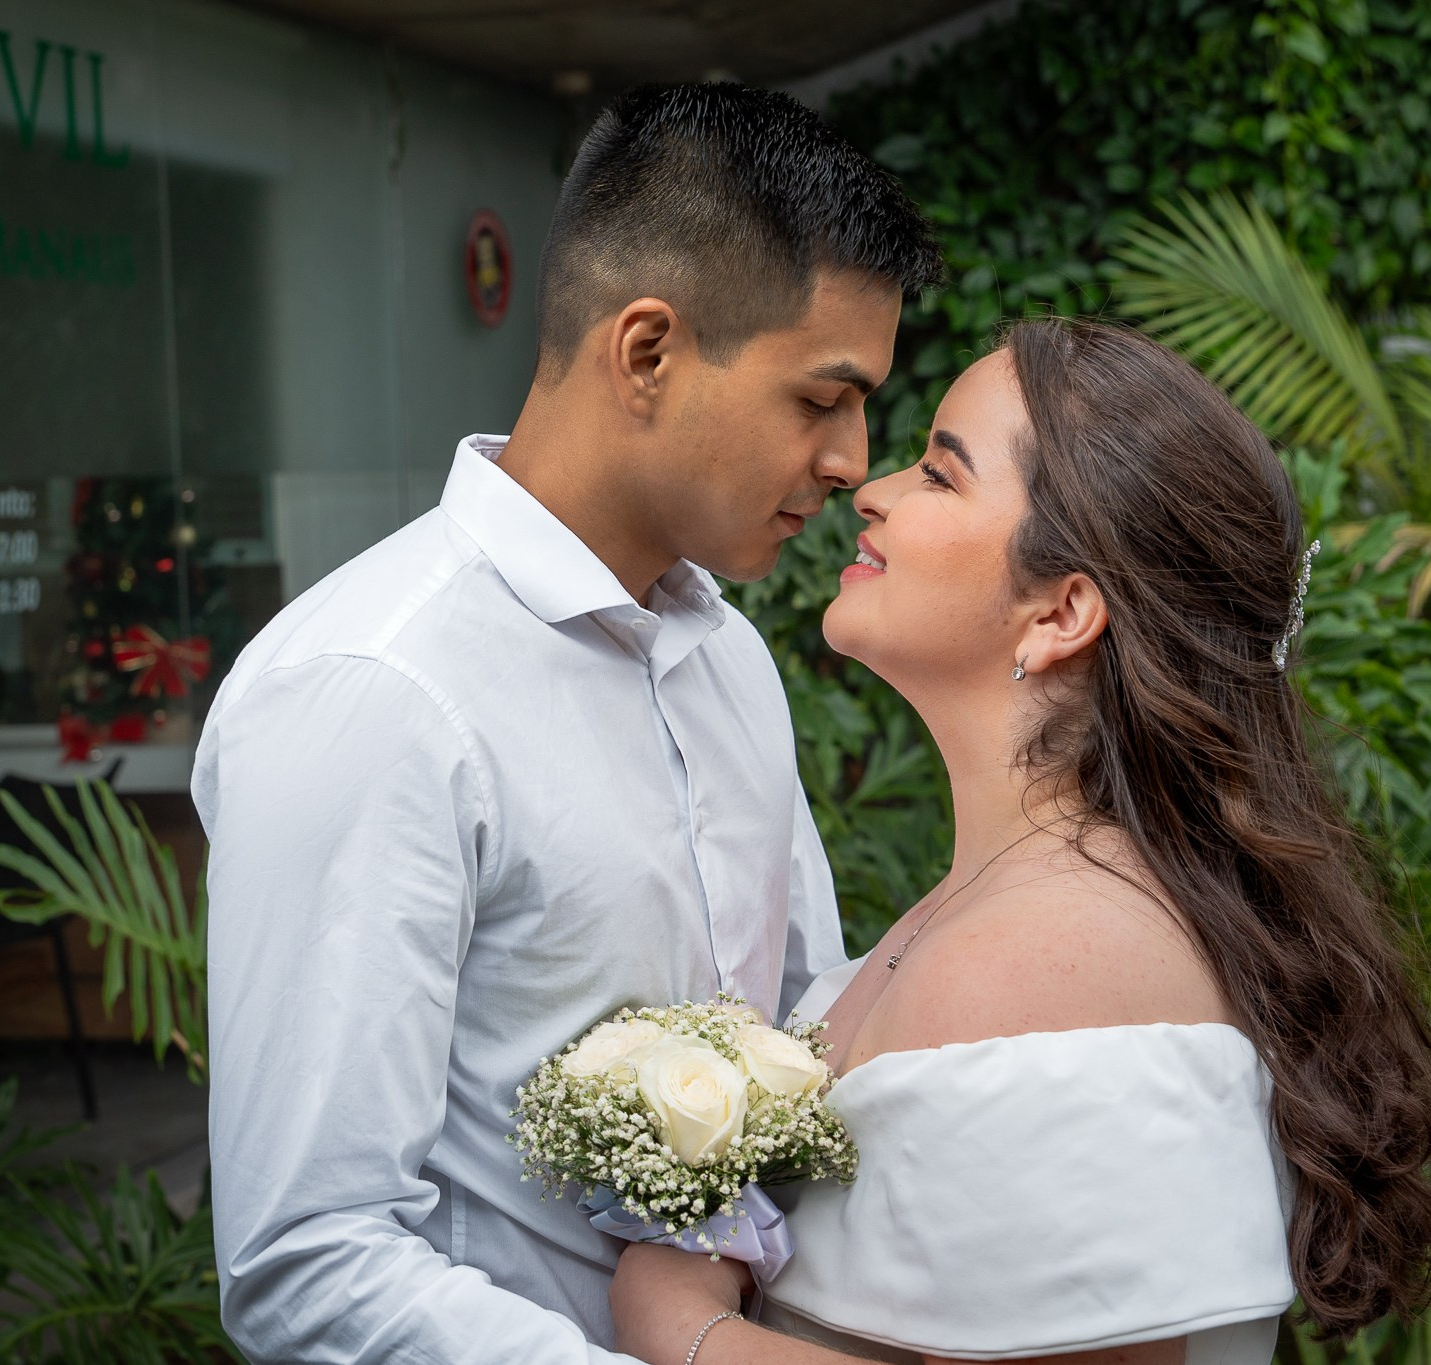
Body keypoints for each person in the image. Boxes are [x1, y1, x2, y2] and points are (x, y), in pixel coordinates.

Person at [194, 83, 942, 1363]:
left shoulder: (726, 657)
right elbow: (307, 1260)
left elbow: (798, 1033)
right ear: (645, 353)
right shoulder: (373, 689)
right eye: (820, 400)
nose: (850, 459)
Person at [607, 319, 1431, 1365]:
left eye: (939, 472)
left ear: (1060, 614)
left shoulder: (1040, 959)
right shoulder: (1022, 905)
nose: (872, 490)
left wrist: (684, 1325)